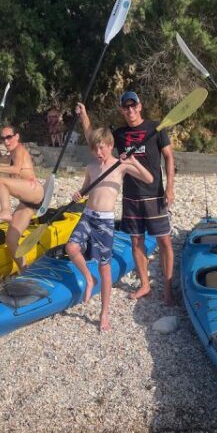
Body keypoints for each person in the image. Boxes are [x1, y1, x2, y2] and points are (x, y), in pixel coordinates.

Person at [78, 91, 176, 305]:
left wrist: (170, 187)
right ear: (122, 109)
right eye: (126, 107)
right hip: (131, 197)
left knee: (165, 242)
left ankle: (168, 289)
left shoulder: (155, 128)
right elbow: (94, 139)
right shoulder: (119, 135)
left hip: (154, 195)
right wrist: (84, 115)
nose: (130, 110)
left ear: (139, 106)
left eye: (134, 106)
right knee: (136, 241)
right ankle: (145, 284)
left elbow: (169, 157)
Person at [66, 128, 153, 331]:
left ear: (110, 146)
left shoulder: (120, 167)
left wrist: (133, 162)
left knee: (105, 267)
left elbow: (149, 179)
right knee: (71, 248)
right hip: (87, 216)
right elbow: (86, 189)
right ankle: (89, 278)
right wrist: (78, 195)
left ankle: (104, 314)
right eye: (95, 148)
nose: (98, 152)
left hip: (105, 222)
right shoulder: (91, 167)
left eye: (102, 148)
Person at [0, 124, 44, 272]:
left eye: (9, 137)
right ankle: (24, 270)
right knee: (11, 239)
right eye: (3, 138)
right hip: (27, 203)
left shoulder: (20, 150)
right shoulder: (10, 155)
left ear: (17, 137)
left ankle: (5, 211)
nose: (6, 141)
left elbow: (16, 169)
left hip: (34, 190)